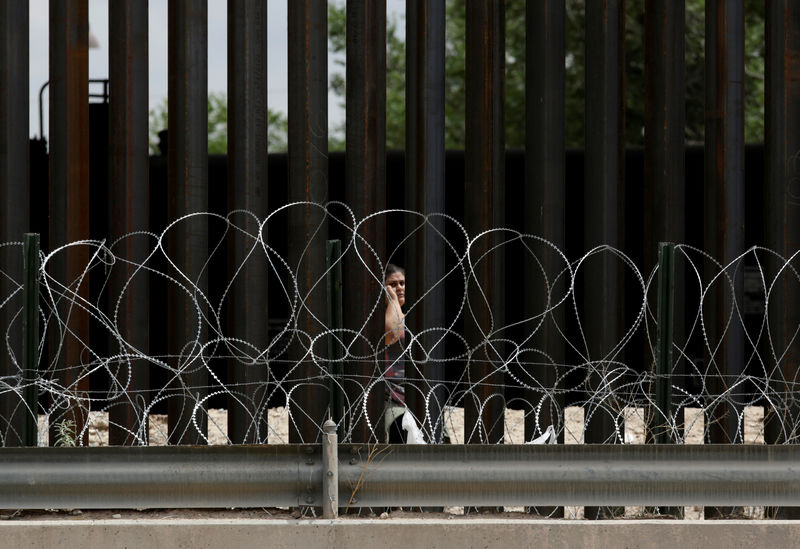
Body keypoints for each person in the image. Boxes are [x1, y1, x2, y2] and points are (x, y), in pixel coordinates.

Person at [383, 263, 407, 442]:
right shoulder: (385, 316)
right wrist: (392, 299)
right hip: (392, 398)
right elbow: (394, 332)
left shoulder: (404, 314)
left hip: (410, 393)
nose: (399, 288)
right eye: (392, 284)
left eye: (402, 283)